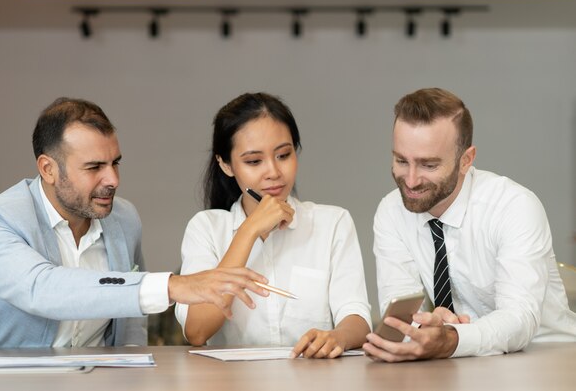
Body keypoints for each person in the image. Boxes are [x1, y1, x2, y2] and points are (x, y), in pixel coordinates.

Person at [0, 97, 269, 349]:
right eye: (94, 167)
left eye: (115, 163)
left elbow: (130, 324)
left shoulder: (124, 218)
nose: (113, 179)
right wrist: (174, 285)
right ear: (48, 169)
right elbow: (42, 289)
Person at [364, 88, 576, 362]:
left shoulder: (514, 206)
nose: (412, 180)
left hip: (550, 359)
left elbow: (519, 319)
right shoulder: (392, 211)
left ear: (466, 160)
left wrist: (451, 338)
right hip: (463, 362)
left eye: (429, 165)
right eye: (401, 161)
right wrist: (427, 328)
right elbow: (400, 317)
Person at [175, 92, 371, 358]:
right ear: (225, 164)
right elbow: (197, 331)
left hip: (313, 379)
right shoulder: (207, 229)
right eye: (254, 161)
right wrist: (248, 231)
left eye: (283, 155)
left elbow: (357, 317)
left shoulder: (333, 223)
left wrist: (337, 336)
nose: (274, 172)